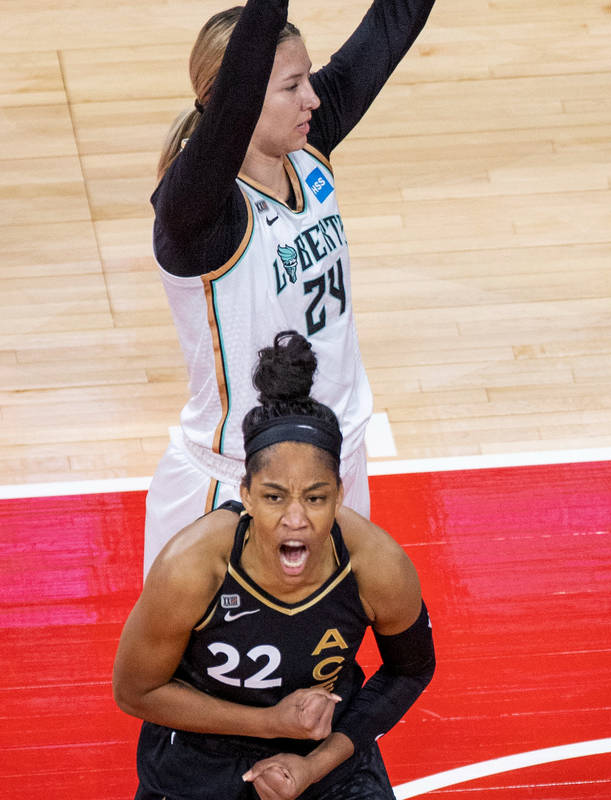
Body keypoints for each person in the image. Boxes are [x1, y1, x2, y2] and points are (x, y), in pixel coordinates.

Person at [143, 0, 437, 575]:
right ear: (241, 94)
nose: (314, 98)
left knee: (328, 656)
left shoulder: (308, 151)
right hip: (240, 487)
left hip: (336, 459)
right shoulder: (198, 212)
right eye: (292, 85)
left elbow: (393, 22)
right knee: (193, 668)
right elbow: (238, 85)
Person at [114, 330, 435, 800]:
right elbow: (134, 691)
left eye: (316, 497)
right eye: (273, 496)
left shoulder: (376, 564)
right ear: (245, 495)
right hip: (202, 755)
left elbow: (411, 671)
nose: (296, 519)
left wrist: (313, 765)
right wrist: (268, 722)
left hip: (323, 755)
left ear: (340, 495)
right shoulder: (192, 567)